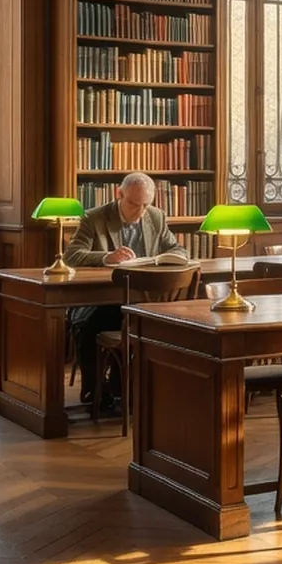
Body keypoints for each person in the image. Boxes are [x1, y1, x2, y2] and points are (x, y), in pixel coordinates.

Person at [64, 172, 181, 406]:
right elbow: (72, 256)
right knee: (96, 324)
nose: (139, 211)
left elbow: (177, 248)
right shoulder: (95, 218)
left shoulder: (156, 217)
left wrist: (169, 259)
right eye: (133, 204)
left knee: (145, 320)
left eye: (144, 205)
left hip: (142, 301)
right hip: (100, 300)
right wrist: (107, 257)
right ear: (119, 194)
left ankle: (128, 390)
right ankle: (95, 390)